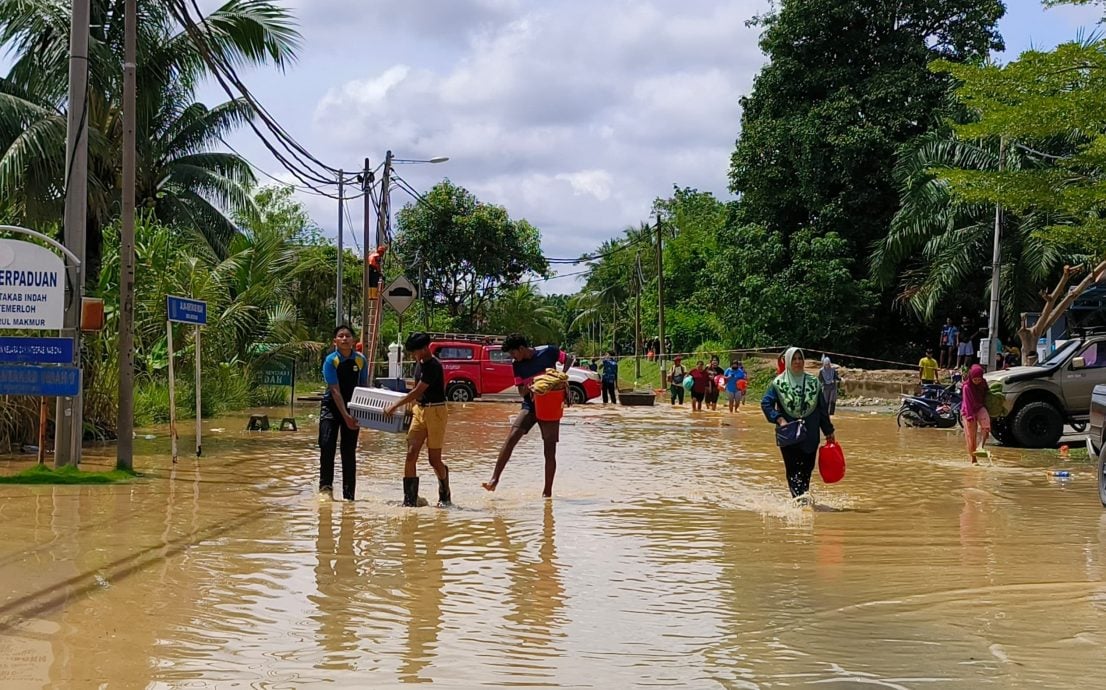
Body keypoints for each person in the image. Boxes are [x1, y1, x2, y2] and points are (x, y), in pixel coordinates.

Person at [482, 333, 574, 498]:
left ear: (522, 348)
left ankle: (547, 493)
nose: (512, 357)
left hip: (550, 405)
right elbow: (520, 391)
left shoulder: (548, 351)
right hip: (530, 404)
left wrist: (563, 378)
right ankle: (494, 480)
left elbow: (569, 359)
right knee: (512, 437)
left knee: (549, 450)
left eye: (513, 353)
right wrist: (531, 386)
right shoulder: (517, 365)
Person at [384, 332, 451, 507]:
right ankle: (410, 499)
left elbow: (417, 391)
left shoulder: (433, 366)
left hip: (436, 412)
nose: (413, 355)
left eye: (415, 352)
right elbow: (415, 391)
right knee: (411, 453)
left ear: (423, 349)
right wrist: (408, 408)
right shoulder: (419, 364)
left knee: (433, 460)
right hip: (419, 410)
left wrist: (395, 405)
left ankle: (444, 490)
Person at [761, 347, 836, 502]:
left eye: (800, 359)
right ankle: (799, 501)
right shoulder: (778, 383)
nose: (797, 362)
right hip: (789, 434)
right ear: (788, 361)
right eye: (794, 359)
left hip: (811, 432)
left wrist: (828, 431)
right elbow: (766, 403)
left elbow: (822, 409)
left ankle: (803, 498)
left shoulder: (813, 382)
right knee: (793, 470)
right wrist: (780, 419)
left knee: (807, 469)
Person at [318, 324, 368, 500]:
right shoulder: (331, 360)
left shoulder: (361, 360)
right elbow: (334, 390)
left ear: (353, 341)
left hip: (353, 408)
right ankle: (325, 489)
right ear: (335, 341)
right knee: (327, 445)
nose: (345, 339)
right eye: (341, 336)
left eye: (348, 336)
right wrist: (344, 416)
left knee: (349, 451)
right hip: (331, 407)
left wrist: (360, 414)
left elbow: (363, 388)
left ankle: (349, 496)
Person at [961, 364, 991, 464]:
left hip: (979, 407)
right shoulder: (966, 387)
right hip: (968, 411)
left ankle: (981, 446)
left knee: (986, 426)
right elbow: (967, 403)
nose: (977, 381)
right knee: (971, 436)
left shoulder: (983, 383)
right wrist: (969, 416)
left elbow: (988, 393)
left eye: (979, 379)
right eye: (975, 379)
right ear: (971, 377)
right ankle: (973, 459)